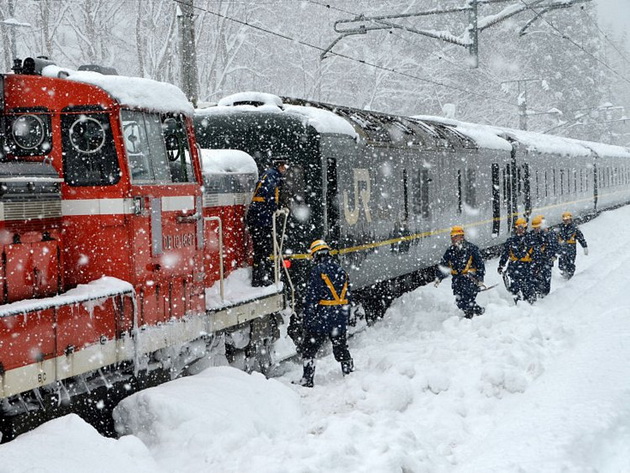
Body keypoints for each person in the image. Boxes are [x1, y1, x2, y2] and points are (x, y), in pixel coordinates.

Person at [297, 239, 354, 388]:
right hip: (339, 315)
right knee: (340, 346)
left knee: (310, 348)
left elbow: (311, 298)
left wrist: (308, 320)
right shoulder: (341, 270)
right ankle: (349, 372)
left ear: (315, 255)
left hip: (323, 316)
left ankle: (307, 379)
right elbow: (348, 295)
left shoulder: (317, 271)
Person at [245, 159, 288, 286]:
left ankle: (260, 276)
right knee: (263, 248)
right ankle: (259, 277)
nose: (285, 169)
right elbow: (270, 195)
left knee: (261, 248)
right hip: (260, 218)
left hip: (258, 217)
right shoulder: (272, 176)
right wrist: (275, 208)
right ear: (279, 166)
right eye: (284, 166)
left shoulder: (268, 174)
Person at [434, 226, 486, 318]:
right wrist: (439, 278)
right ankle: (479, 311)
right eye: (452, 237)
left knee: (468, 301)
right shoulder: (450, 251)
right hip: (457, 282)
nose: (453, 239)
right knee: (460, 302)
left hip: (470, 280)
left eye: (455, 236)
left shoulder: (472, 249)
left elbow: (480, 265)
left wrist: (480, 278)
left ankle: (469, 318)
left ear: (462, 236)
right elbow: (443, 265)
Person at [498, 217, 537, 304]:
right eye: (518, 228)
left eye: (522, 228)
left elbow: (536, 254)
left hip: (528, 267)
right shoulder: (510, 241)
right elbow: (505, 254)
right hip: (514, 267)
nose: (520, 230)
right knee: (514, 288)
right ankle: (517, 302)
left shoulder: (531, 240)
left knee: (528, 287)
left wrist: (536, 266)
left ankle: (530, 303)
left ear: (525, 228)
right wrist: (501, 265)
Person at [529, 215, 558, 298]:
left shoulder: (548, 235)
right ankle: (536, 294)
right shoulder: (531, 236)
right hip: (534, 262)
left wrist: (549, 256)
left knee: (545, 280)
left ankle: (544, 295)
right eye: (534, 228)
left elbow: (553, 247)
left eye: (537, 227)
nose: (535, 230)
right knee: (534, 279)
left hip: (546, 262)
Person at [557, 211, 588, 280]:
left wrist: (584, 246)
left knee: (570, 262)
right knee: (561, 262)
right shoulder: (560, 228)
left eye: (567, 220)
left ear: (570, 219)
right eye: (564, 220)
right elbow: (556, 238)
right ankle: (564, 271)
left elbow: (581, 238)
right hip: (562, 248)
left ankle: (570, 275)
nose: (566, 221)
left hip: (571, 249)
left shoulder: (574, 229)